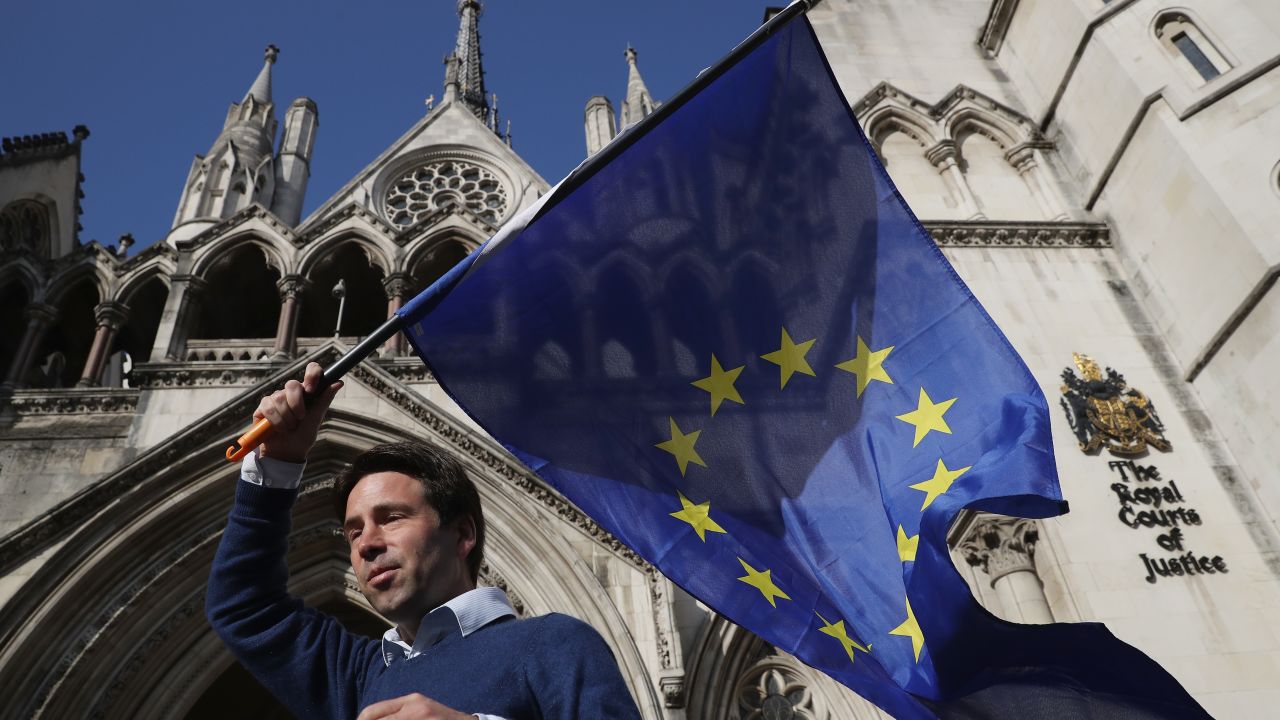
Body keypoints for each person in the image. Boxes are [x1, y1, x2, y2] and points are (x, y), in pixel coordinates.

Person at [206, 362, 642, 720]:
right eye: (353, 531)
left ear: (464, 534)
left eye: (391, 518)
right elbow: (244, 607)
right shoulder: (357, 677)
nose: (365, 544)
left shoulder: (553, 643)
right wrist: (276, 465)